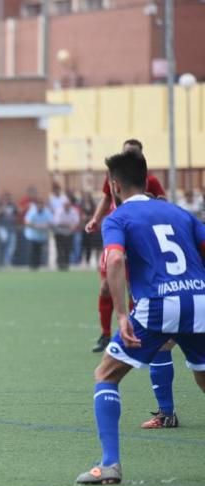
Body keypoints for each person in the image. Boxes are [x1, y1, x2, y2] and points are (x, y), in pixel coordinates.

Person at [76, 150, 205, 485]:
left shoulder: (117, 219)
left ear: (114, 185)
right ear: (147, 180)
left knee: (106, 373)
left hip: (158, 306)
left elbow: (115, 261)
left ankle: (109, 465)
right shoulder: (179, 212)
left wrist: (122, 315)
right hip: (199, 301)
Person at [85, 139, 166, 353]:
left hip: (139, 237)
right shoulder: (113, 177)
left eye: (133, 154)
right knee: (105, 286)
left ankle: (136, 332)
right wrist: (95, 219)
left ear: (141, 156)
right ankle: (105, 333)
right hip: (117, 234)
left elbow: (163, 203)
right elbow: (105, 199)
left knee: (135, 288)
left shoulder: (150, 181)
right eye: (126, 153)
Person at [23, 193, 53, 270]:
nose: (40, 206)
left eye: (41, 204)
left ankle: (37, 267)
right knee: (32, 251)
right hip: (32, 236)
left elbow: (51, 222)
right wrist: (36, 226)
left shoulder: (47, 212)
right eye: (38, 204)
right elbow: (27, 222)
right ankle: (31, 267)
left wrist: (44, 226)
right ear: (36, 205)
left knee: (39, 252)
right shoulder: (32, 211)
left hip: (41, 236)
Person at [52, 194, 80, 271]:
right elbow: (57, 222)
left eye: (68, 204)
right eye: (65, 204)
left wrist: (72, 227)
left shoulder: (73, 211)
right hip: (59, 233)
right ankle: (60, 265)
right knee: (60, 249)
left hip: (69, 234)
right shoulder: (59, 211)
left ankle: (66, 265)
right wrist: (68, 224)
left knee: (67, 249)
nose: (67, 206)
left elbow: (76, 222)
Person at [0, 192, 19, 267]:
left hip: (12, 228)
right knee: (5, 244)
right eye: (5, 198)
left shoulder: (12, 205)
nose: (6, 199)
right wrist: (3, 207)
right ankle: (2, 262)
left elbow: (18, 213)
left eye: (8, 198)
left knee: (12, 246)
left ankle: (7, 262)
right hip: (2, 228)